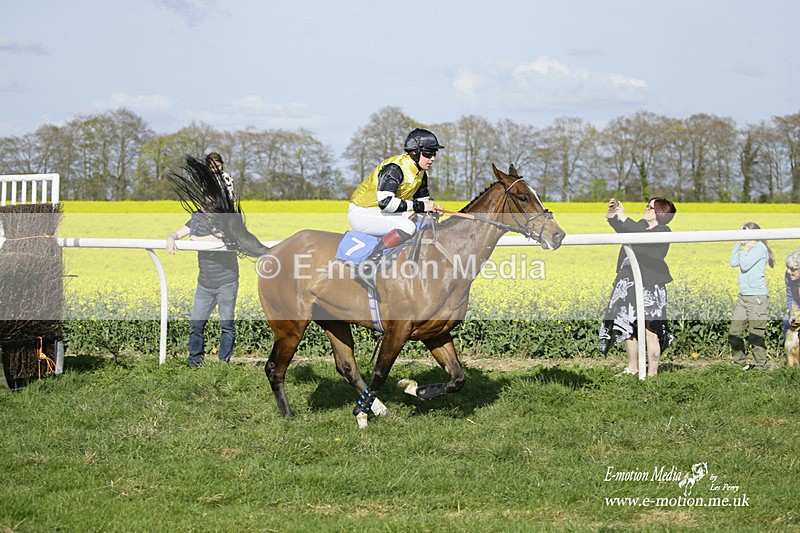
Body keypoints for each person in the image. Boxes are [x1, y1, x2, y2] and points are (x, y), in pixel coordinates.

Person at [166, 154, 239, 367]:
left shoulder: (226, 219)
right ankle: (194, 362)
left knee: (226, 326)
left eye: (209, 203)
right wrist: (171, 237)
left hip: (226, 282)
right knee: (196, 325)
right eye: (203, 203)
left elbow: (222, 238)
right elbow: (180, 231)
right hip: (204, 283)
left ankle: (223, 364)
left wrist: (197, 239)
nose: (205, 207)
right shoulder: (197, 216)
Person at [347, 128, 445, 285]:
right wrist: (421, 206)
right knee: (407, 226)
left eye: (434, 154)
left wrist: (433, 208)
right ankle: (367, 266)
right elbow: (386, 203)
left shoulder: (421, 173)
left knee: (425, 222)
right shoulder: (394, 168)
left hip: (381, 213)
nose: (432, 158)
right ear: (414, 153)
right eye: (428, 153)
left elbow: (423, 201)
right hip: (363, 212)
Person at [599, 197, 677, 377]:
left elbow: (643, 242)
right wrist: (613, 214)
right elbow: (622, 229)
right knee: (628, 328)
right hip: (629, 284)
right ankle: (632, 368)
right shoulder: (640, 225)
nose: (645, 208)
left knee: (651, 330)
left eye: (650, 207)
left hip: (650, 286)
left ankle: (652, 373)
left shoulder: (663, 231)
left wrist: (625, 218)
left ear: (659, 213)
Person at [728, 222, 775, 371]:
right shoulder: (746, 249)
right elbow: (733, 262)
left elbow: (746, 264)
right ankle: (739, 361)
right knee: (734, 331)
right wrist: (738, 245)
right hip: (743, 297)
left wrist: (746, 249)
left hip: (757, 298)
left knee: (756, 333)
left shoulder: (760, 248)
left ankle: (760, 365)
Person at [784, 247, 800, 336]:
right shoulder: (788, 277)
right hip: (797, 310)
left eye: (793, 269)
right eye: (787, 268)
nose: (788, 271)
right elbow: (790, 298)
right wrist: (793, 314)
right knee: (786, 321)